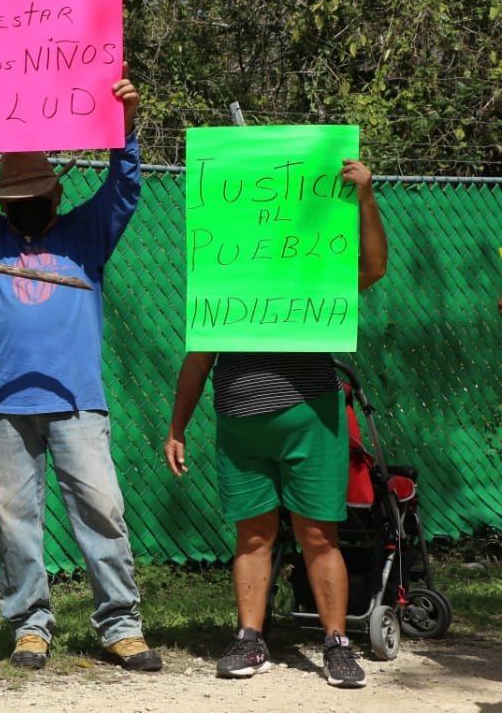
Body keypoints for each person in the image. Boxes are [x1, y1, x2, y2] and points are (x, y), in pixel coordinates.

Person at [0, 65, 162, 673]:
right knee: (16, 521)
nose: (25, 210)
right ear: (2, 203)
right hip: (6, 404)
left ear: (56, 196)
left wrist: (125, 125)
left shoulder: (86, 236)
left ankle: (120, 624)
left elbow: (124, 189)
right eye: (14, 203)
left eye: (34, 201)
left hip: (77, 401)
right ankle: (30, 625)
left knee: (102, 510)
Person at [164, 158, 389, 689]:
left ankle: (336, 644)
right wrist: (177, 427)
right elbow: (198, 362)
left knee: (318, 534)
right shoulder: (223, 278)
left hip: (313, 420)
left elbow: (374, 269)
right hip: (240, 425)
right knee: (253, 537)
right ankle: (249, 639)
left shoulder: (317, 274)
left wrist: (366, 199)